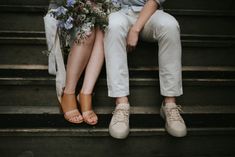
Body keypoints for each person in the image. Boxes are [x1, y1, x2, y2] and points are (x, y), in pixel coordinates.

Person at [104, 0, 187, 139]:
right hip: (119, 11)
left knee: (170, 26)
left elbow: (154, 1)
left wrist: (135, 29)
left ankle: (170, 104)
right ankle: (121, 104)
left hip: (150, 13)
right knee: (113, 26)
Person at [48, 0, 105, 125]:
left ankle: (85, 93)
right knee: (87, 28)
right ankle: (69, 92)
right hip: (67, 11)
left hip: (97, 8)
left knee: (105, 28)